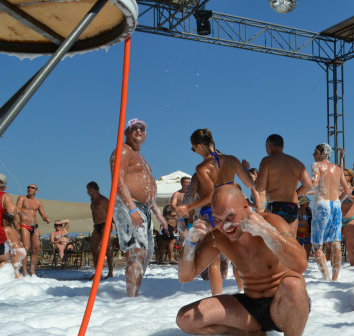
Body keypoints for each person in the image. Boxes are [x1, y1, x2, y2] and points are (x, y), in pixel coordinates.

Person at [176, 185, 309, 336]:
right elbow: (185, 276)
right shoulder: (218, 237)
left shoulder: (271, 222)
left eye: (230, 217)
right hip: (250, 309)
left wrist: (266, 232)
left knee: (293, 285)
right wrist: (190, 242)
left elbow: (301, 264)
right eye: (218, 219)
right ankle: (251, 334)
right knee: (185, 319)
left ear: (245, 207)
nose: (226, 226)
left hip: (284, 305)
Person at [176, 128, 256, 295]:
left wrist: (187, 207)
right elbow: (250, 183)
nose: (195, 152)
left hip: (214, 213)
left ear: (199, 146)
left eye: (193, 149)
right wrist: (244, 168)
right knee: (238, 255)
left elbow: (211, 195)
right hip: (234, 210)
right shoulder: (232, 160)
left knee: (214, 260)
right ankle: (243, 291)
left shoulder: (202, 168)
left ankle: (217, 296)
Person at [110, 118, 167, 297]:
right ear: (126, 132)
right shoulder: (123, 150)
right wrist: (131, 208)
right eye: (134, 128)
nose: (139, 131)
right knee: (138, 252)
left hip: (144, 209)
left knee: (147, 253)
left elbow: (147, 188)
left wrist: (158, 213)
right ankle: (131, 299)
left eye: (142, 128)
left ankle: (134, 295)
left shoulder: (140, 157)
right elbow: (117, 180)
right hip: (130, 205)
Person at [255, 134, 313, 236]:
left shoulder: (267, 161)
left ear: (268, 146)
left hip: (275, 206)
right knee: (290, 241)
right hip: (292, 207)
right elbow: (308, 185)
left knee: (272, 242)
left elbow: (259, 187)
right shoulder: (297, 163)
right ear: (282, 146)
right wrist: (296, 193)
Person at [311, 143, 350, 280]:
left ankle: (326, 278)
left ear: (323, 153)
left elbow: (315, 183)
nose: (313, 155)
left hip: (322, 204)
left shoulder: (317, 165)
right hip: (336, 205)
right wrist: (339, 199)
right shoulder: (338, 169)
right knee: (336, 242)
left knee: (317, 245)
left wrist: (302, 190)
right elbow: (347, 190)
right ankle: (335, 279)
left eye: (315, 152)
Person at [16, 183, 50, 276]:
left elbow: (42, 214)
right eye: (28, 187)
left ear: (36, 191)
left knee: (36, 249)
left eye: (32, 187)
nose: (30, 188)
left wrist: (46, 218)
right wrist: (22, 215)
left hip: (35, 226)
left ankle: (32, 271)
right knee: (26, 247)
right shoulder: (22, 198)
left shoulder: (38, 202)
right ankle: (24, 270)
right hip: (24, 225)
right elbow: (17, 209)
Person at [86, 181, 114, 278]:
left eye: (88, 190)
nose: (87, 192)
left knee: (106, 249)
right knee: (93, 248)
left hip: (105, 224)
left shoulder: (103, 200)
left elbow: (112, 213)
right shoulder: (93, 201)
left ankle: (110, 272)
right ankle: (98, 272)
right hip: (97, 225)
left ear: (92, 189)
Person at [340, 168, 354, 266]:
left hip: (350, 220)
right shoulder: (336, 190)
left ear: (350, 177)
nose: (342, 176)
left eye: (344, 175)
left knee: (350, 247)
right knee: (332, 247)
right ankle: (334, 271)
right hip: (337, 220)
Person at [3, 213, 26, 279]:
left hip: (16, 251)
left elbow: (7, 241)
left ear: (4, 221)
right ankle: (23, 282)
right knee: (16, 271)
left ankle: (19, 283)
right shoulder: (14, 229)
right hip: (22, 250)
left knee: (14, 272)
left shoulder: (6, 229)